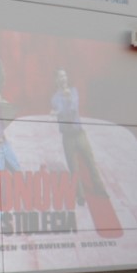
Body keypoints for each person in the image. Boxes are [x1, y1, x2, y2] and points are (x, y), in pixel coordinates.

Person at [51, 67, 109, 204]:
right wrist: (60, 110)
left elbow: (73, 109)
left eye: (65, 75)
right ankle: (80, 195)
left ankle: (99, 188)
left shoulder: (74, 92)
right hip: (67, 136)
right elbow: (61, 112)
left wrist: (67, 99)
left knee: (90, 162)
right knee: (73, 167)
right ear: (56, 80)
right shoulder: (54, 98)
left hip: (79, 133)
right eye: (60, 76)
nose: (63, 78)